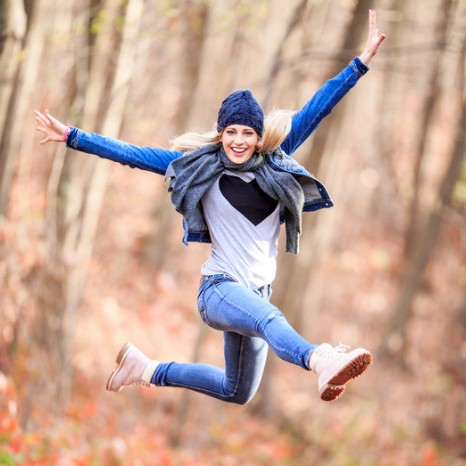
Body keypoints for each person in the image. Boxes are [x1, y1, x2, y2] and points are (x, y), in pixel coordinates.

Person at [35, 10, 385, 403]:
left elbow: (318, 107)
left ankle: (146, 368)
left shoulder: (275, 162)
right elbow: (130, 153)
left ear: (258, 137)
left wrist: (360, 63)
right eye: (231, 131)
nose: (238, 140)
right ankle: (320, 358)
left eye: (247, 133)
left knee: (238, 391)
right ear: (221, 134)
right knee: (271, 320)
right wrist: (72, 136)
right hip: (219, 291)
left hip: (256, 293)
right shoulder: (197, 168)